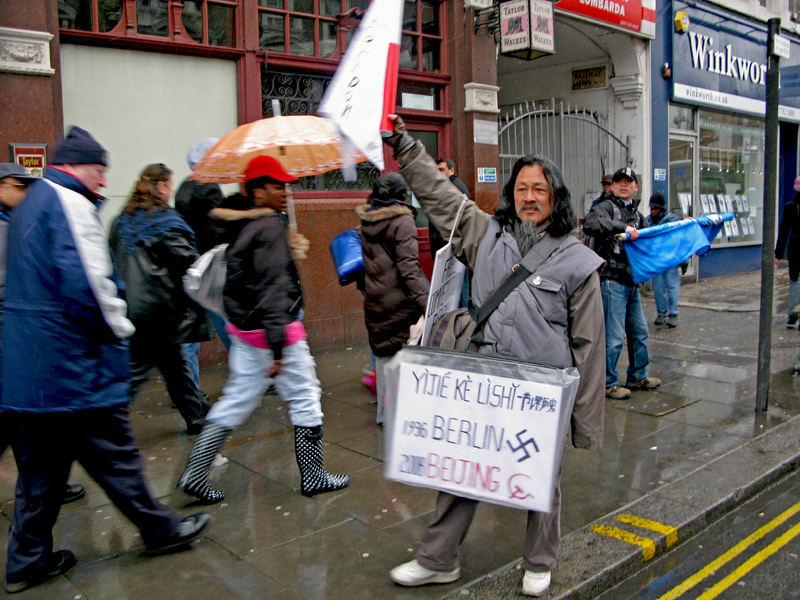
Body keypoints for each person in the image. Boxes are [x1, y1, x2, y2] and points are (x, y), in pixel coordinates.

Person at [383, 116, 605, 598]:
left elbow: (589, 345)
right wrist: (404, 145)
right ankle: (437, 558)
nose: (529, 197)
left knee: (540, 479)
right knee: (462, 468)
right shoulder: (483, 233)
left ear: (555, 198)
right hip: (481, 382)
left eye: (539, 189)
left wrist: (583, 423)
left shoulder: (577, 260)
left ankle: (539, 561)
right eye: (522, 187)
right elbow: (439, 196)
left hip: (539, 394)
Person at [1, 126, 211, 594]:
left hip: (29, 369)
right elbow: (90, 284)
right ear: (79, 166)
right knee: (115, 457)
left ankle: (25, 562)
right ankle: (161, 529)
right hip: (70, 365)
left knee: (40, 474)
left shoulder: (30, 203)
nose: (102, 181)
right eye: (99, 170)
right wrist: (121, 329)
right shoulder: (69, 204)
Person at [177, 155, 349, 503]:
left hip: (244, 331)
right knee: (305, 396)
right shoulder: (269, 229)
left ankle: (195, 473)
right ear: (257, 192)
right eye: (276, 186)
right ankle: (314, 476)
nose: (284, 191)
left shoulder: (242, 224)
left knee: (236, 400)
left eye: (285, 185)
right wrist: (276, 349)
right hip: (276, 333)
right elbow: (273, 290)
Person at [0, 164, 86, 505]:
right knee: (20, 418)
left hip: (16, 331)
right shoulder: (5, 227)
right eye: (20, 188)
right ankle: (44, 486)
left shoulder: (13, 221)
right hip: (10, 331)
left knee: (19, 418)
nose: (26, 195)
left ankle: (45, 484)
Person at [109, 163, 212, 435]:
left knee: (174, 366)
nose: (171, 191)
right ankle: (105, 424)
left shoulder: (121, 220)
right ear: (162, 186)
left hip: (131, 308)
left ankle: (197, 417)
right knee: (135, 374)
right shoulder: (164, 221)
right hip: (158, 311)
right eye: (170, 184)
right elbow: (188, 262)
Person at [583, 167, 661, 401]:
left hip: (631, 282)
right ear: (613, 186)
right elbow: (591, 222)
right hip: (613, 282)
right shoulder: (605, 207)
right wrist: (622, 228)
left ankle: (638, 375)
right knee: (614, 336)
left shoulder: (637, 214)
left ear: (636, 186)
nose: (623, 185)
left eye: (629, 181)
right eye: (619, 181)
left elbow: (652, 235)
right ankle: (608, 382)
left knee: (639, 331)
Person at [356, 173, 428, 425]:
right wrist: (425, 303)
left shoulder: (367, 221)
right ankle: (403, 418)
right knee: (405, 358)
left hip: (376, 300)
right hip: (399, 301)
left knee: (385, 357)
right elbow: (409, 270)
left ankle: (384, 416)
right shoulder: (403, 220)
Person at [645, 192, 681, 328]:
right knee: (658, 288)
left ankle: (673, 314)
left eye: (656, 208)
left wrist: (682, 261)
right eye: (652, 208)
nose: (653, 211)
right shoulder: (648, 221)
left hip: (670, 259)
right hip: (657, 260)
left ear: (662, 208)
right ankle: (662, 313)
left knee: (671, 286)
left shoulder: (672, 221)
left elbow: (679, 241)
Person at [428, 158, 470, 257]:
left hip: (449, 245)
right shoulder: (447, 186)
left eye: (441, 170)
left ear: (452, 170)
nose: (438, 173)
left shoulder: (453, 188)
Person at [775, 177, 800, 328]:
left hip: (795, 245)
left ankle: (793, 314)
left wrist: (778, 253)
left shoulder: (790, 206)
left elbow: (784, 230)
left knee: (794, 279)